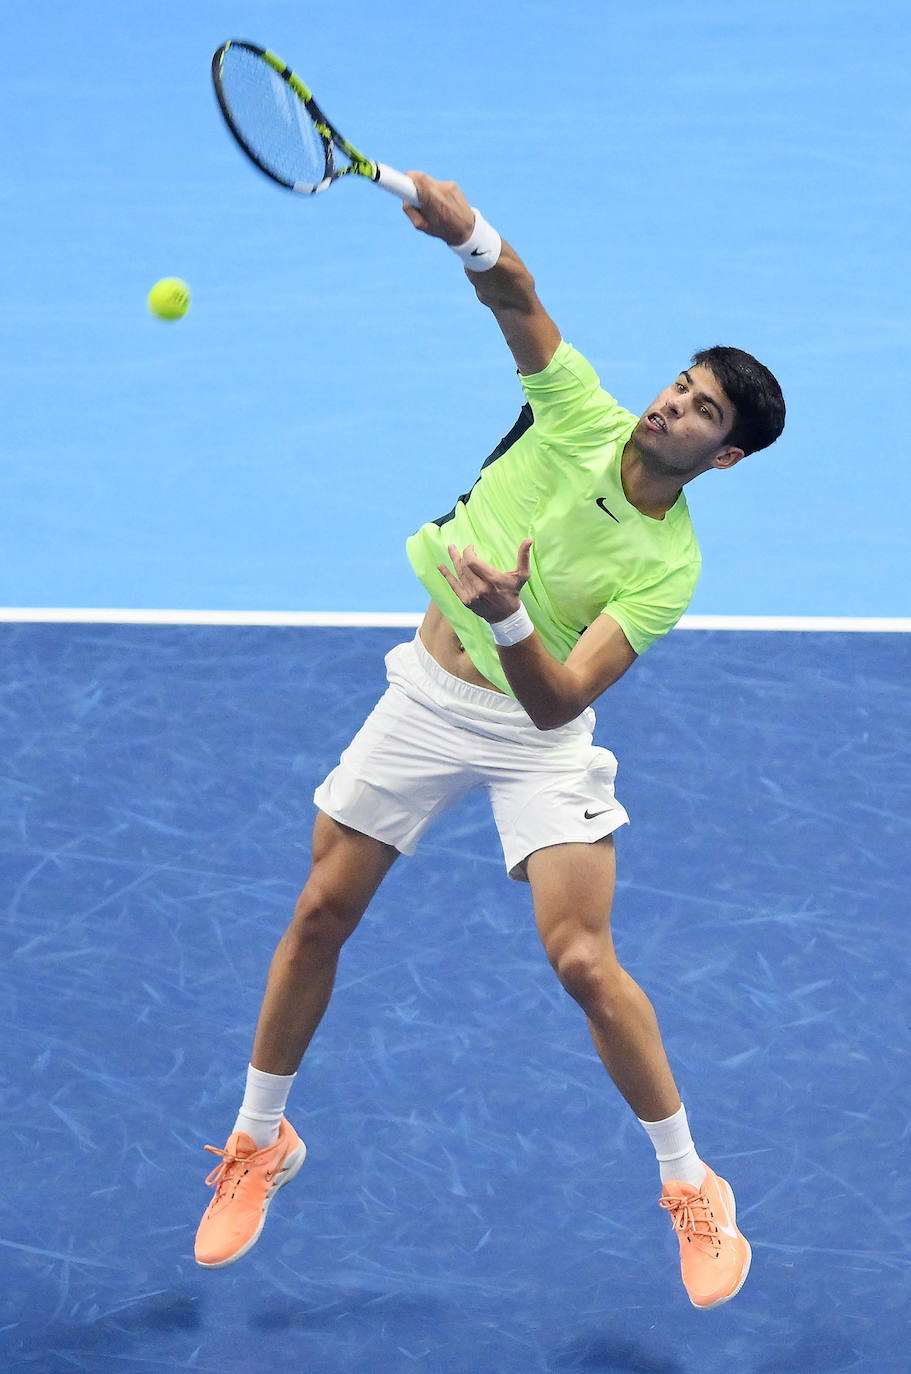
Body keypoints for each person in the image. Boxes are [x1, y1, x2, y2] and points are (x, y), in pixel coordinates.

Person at [193, 171, 785, 1310]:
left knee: (580, 960)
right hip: (424, 693)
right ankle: (259, 1139)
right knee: (320, 909)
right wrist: (461, 226)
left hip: (532, 733)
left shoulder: (670, 571)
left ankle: (690, 1183)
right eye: (681, 384)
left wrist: (508, 611)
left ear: (724, 461)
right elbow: (514, 294)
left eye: (702, 411)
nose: (671, 406)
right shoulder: (577, 413)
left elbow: (560, 701)